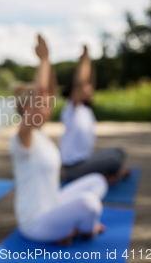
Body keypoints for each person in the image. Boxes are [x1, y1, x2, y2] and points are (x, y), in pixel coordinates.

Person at [10, 35, 107, 245]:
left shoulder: (40, 135)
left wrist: (51, 62)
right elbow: (43, 90)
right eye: (43, 104)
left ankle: (70, 226)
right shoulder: (22, 139)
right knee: (89, 203)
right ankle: (86, 230)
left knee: (97, 181)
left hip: (53, 205)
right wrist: (44, 60)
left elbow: (48, 90)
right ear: (29, 109)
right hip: (35, 224)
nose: (49, 107)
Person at [60, 45, 130, 184]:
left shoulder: (86, 110)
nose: (90, 91)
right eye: (87, 90)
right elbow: (81, 82)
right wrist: (85, 58)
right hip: (74, 169)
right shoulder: (72, 109)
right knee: (113, 160)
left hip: (86, 161)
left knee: (118, 151)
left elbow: (89, 81)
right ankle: (106, 176)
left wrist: (89, 60)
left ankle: (105, 175)